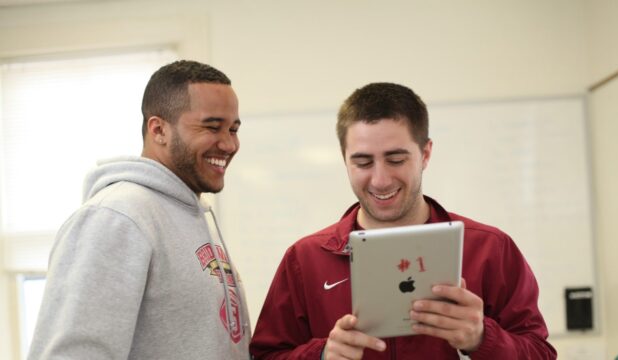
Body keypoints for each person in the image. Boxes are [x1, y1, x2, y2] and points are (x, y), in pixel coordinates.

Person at [249, 82, 557, 359]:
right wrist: (322, 355)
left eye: (396, 160)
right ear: (344, 159)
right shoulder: (305, 259)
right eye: (363, 162)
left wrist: (482, 338)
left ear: (425, 154)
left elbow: (541, 354)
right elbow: (266, 356)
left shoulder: (489, 249)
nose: (381, 180)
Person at [28, 60, 250, 359]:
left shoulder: (194, 214)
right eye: (212, 127)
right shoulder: (116, 216)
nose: (229, 144)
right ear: (158, 129)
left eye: (233, 129)